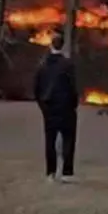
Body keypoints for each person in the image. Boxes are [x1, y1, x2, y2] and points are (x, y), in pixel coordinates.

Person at [33, 31, 79, 183]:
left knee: (50, 140)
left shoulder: (42, 65)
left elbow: (36, 88)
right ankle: (66, 172)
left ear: (51, 45)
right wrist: (74, 104)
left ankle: (50, 172)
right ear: (62, 46)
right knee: (68, 139)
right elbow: (73, 87)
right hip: (66, 108)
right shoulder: (68, 65)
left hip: (49, 107)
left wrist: (42, 105)